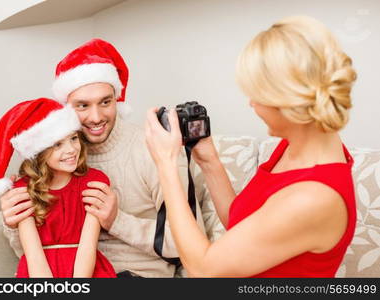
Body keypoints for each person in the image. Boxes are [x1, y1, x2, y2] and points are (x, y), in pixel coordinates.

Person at [145, 15, 357, 277]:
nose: (251, 104)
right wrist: (209, 160)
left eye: (256, 95)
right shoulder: (294, 148)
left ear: (286, 100)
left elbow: (204, 269)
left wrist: (165, 164)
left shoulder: (314, 197)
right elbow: (243, 226)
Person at [0, 39, 222, 277]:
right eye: (82, 105)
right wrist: (14, 223)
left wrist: (117, 220)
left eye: (106, 102)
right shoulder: (54, 159)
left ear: (117, 99)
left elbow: (192, 246)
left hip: (134, 274)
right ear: (65, 109)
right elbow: (34, 252)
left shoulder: (155, 149)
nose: (96, 117)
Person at [0, 98, 116, 278]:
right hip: (39, 271)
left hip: (86, 269)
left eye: (73, 138)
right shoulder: (23, 189)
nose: (71, 150)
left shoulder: (94, 181)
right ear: (39, 152)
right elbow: (32, 253)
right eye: (57, 144)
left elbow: (88, 245)